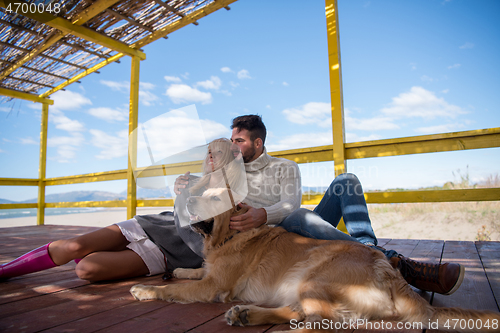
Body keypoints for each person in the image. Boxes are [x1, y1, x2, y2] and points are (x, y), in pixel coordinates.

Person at [177, 114, 464, 296]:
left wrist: (262, 214)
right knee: (300, 217)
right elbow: (204, 198)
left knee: (344, 182)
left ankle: (374, 253)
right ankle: (392, 262)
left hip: (289, 227)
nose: (232, 146)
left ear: (258, 143)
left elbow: (290, 206)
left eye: (238, 141)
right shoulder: (226, 171)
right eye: (230, 141)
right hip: (261, 246)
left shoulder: (283, 167)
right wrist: (183, 186)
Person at [0, 138, 238, 282]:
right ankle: (4, 271)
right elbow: (183, 220)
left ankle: (98, 252)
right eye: (208, 151)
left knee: (86, 269)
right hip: (151, 226)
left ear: (227, 158)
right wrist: (183, 195)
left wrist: (206, 256)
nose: (209, 156)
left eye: (217, 152)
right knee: (74, 246)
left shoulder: (234, 195)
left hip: (169, 255)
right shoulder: (190, 181)